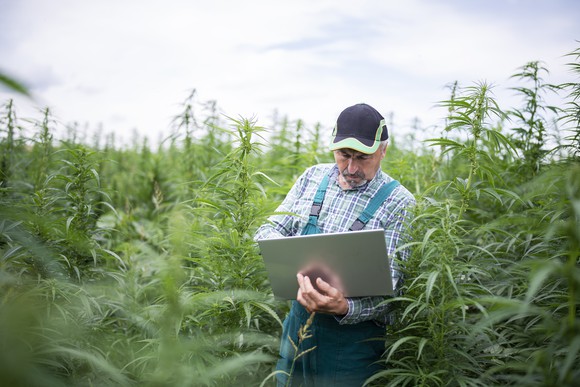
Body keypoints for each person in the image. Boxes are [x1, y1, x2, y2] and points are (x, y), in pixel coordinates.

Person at [255, 103, 415, 386]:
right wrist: (280, 252)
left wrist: (344, 307)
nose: (351, 168)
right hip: (297, 327)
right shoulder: (312, 178)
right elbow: (270, 228)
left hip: (353, 345)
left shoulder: (399, 202)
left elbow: (394, 291)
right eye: (344, 155)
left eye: (362, 157)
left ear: (383, 150)